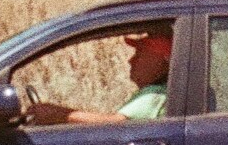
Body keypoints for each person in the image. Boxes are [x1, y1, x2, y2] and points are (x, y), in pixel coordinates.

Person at [26, 27, 172, 127]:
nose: (131, 60)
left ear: (163, 61)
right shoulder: (164, 92)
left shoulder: (155, 94)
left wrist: (58, 115)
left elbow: (113, 126)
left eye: (140, 54)